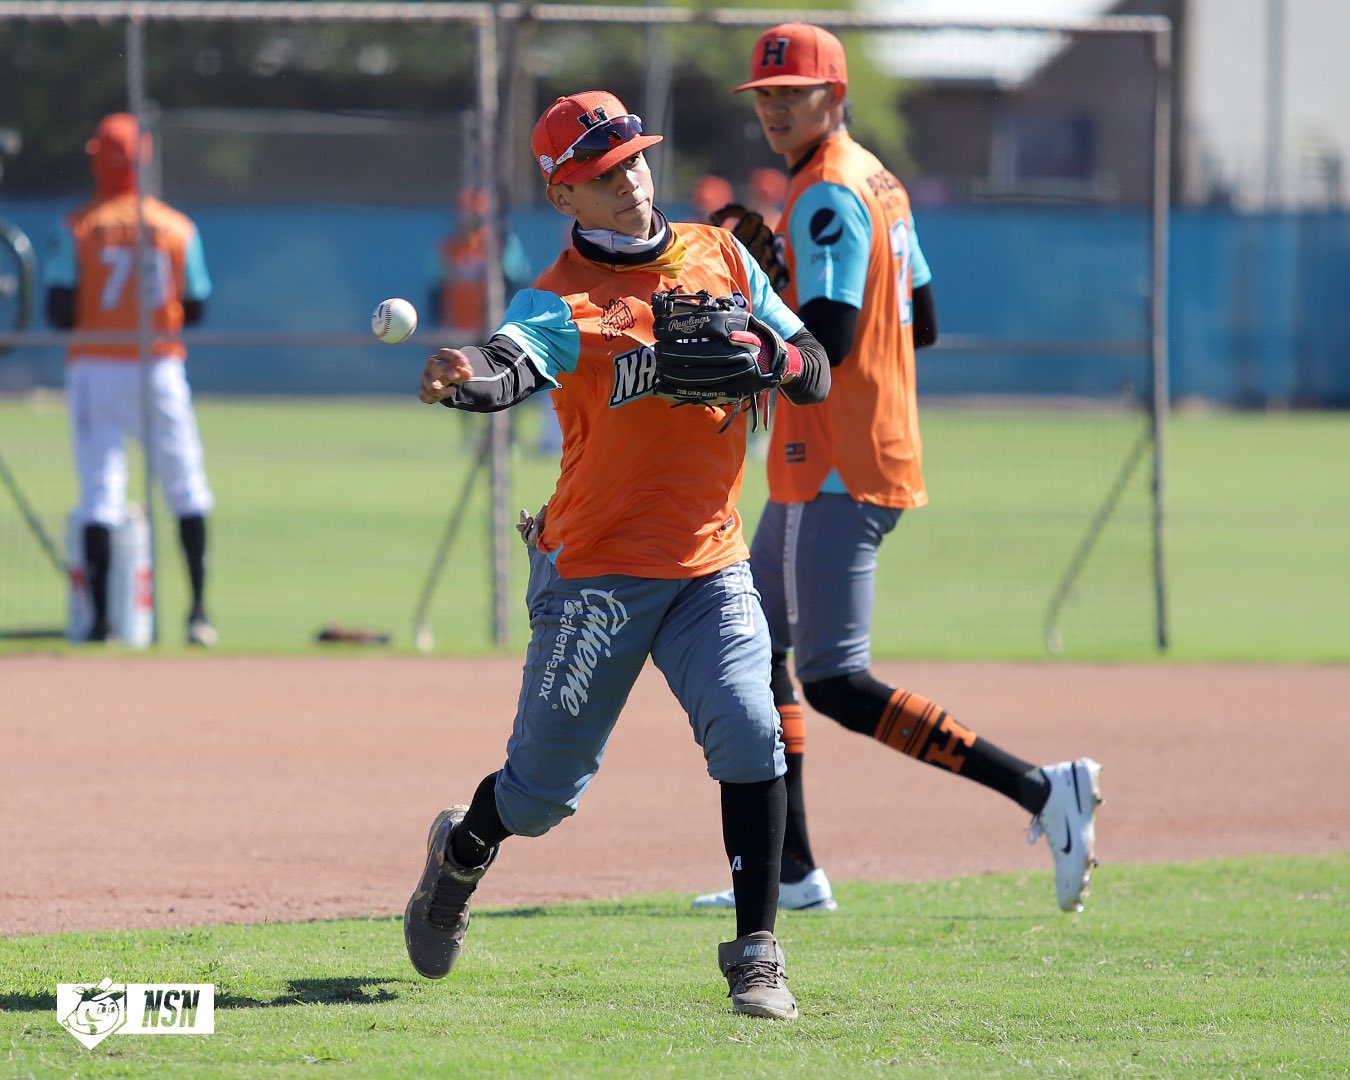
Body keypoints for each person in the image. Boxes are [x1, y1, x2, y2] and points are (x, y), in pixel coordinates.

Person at [402, 90, 832, 1021]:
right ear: (565, 196)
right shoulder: (560, 299)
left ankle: (757, 955)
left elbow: (815, 364)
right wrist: (461, 378)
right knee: (539, 797)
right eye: (603, 172)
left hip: (709, 565)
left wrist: (768, 353)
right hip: (596, 575)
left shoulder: (720, 256)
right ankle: (458, 858)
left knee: (752, 730)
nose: (631, 179)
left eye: (635, 158)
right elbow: (508, 364)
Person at [691, 24, 1102, 916]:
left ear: (833, 98)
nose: (774, 108)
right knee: (758, 648)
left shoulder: (825, 192)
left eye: (792, 93)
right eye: (764, 95)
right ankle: (790, 870)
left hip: (834, 459)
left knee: (833, 680)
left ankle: (1042, 789)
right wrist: (788, 291)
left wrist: (752, 312)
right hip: (849, 453)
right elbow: (923, 319)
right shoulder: (877, 177)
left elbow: (828, 344)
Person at [44, 113, 217, 646]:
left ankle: (99, 622)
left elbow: (59, 309)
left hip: (97, 364)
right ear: (144, 157)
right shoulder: (176, 226)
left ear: (99, 158)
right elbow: (196, 306)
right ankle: (197, 615)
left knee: (100, 491)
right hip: (158, 363)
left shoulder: (78, 226)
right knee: (185, 484)